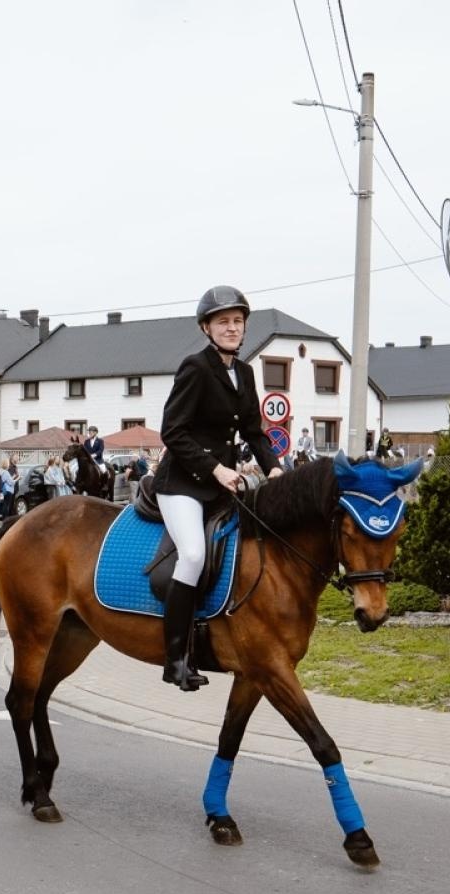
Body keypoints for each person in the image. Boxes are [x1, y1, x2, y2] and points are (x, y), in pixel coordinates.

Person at [153, 286, 282, 692]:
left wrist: (276, 470)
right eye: (223, 321)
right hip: (182, 484)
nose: (231, 328)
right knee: (192, 555)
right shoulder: (194, 367)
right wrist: (216, 470)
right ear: (207, 327)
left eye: (237, 321)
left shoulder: (244, 372)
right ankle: (175, 659)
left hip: (220, 485)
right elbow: (172, 431)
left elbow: (254, 432)